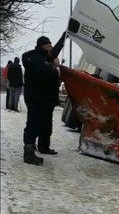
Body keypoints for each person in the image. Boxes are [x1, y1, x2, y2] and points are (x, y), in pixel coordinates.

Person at [22, 32, 67, 165]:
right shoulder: (35, 58)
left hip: (46, 98)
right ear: (43, 46)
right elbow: (45, 74)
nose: (51, 47)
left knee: (46, 123)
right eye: (49, 45)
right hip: (36, 98)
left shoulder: (46, 56)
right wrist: (54, 67)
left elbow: (56, 50)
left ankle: (43, 146)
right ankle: (29, 152)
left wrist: (64, 36)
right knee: (33, 123)